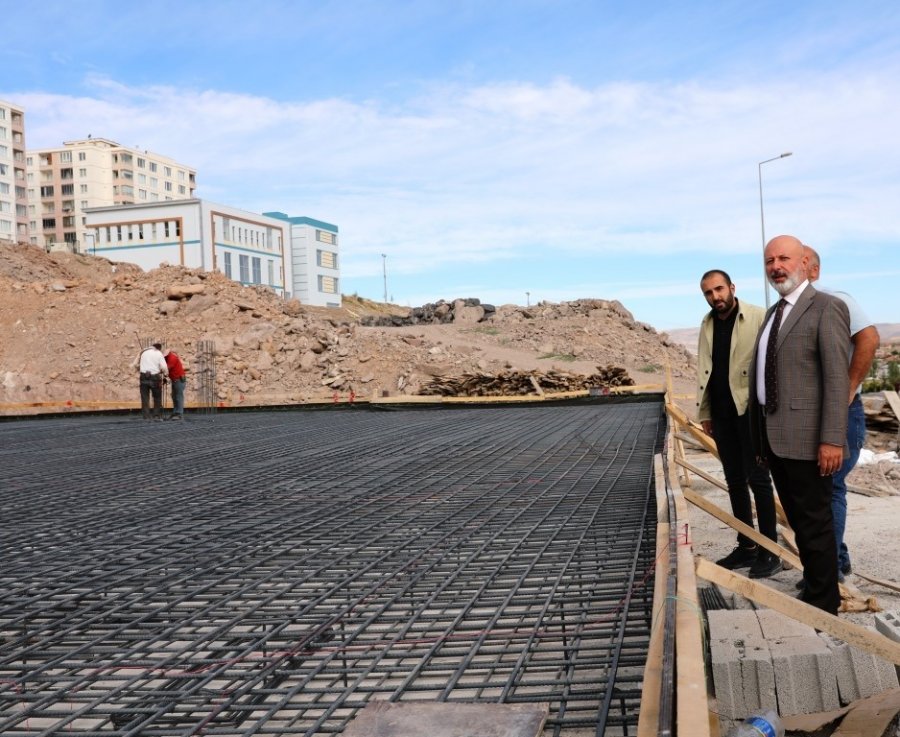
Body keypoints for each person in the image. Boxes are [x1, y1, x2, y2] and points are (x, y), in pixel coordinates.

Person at [749, 235, 850, 615]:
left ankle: (825, 606)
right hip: (776, 438)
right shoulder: (773, 314)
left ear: (805, 262)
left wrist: (832, 439)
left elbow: (836, 379)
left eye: (784, 258)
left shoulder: (826, 307)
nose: (776, 266)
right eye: (769, 260)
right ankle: (814, 589)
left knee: (815, 524)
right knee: (799, 522)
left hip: (809, 440)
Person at [697, 270, 781, 577]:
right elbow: (705, 371)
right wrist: (706, 413)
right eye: (708, 292)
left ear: (732, 287)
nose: (715, 296)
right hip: (721, 415)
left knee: (758, 479)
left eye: (719, 289)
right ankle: (747, 546)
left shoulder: (758, 316)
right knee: (734, 480)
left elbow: (773, 363)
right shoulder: (707, 324)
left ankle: (770, 551)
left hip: (750, 413)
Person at [803, 246, 880, 581]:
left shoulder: (836, 300)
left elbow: (869, 338)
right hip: (811, 415)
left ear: (814, 270)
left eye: (801, 262)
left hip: (843, 413)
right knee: (817, 488)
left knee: (830, 486)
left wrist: (848, 387)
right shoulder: (792, 311)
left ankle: (828, 571)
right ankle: (837, 557)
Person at [137, 341, 169, 420]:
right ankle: (156, 415)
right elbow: (164, 367)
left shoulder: (143, 353)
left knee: (145, 398)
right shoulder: (158, 353)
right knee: (157, 397)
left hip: (143, 376)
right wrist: (166, 374)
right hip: (155, 378)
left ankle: (146, 416)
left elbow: (138, 365)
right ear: (159, 348)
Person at [164, 349, 187, 420]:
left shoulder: (172, 358)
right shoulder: (168, 358)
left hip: (179, 380)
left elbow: (167, 368)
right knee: (174, 396)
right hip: (175, 380)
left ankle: (179, 414)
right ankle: (175, 412)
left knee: (179, 397)